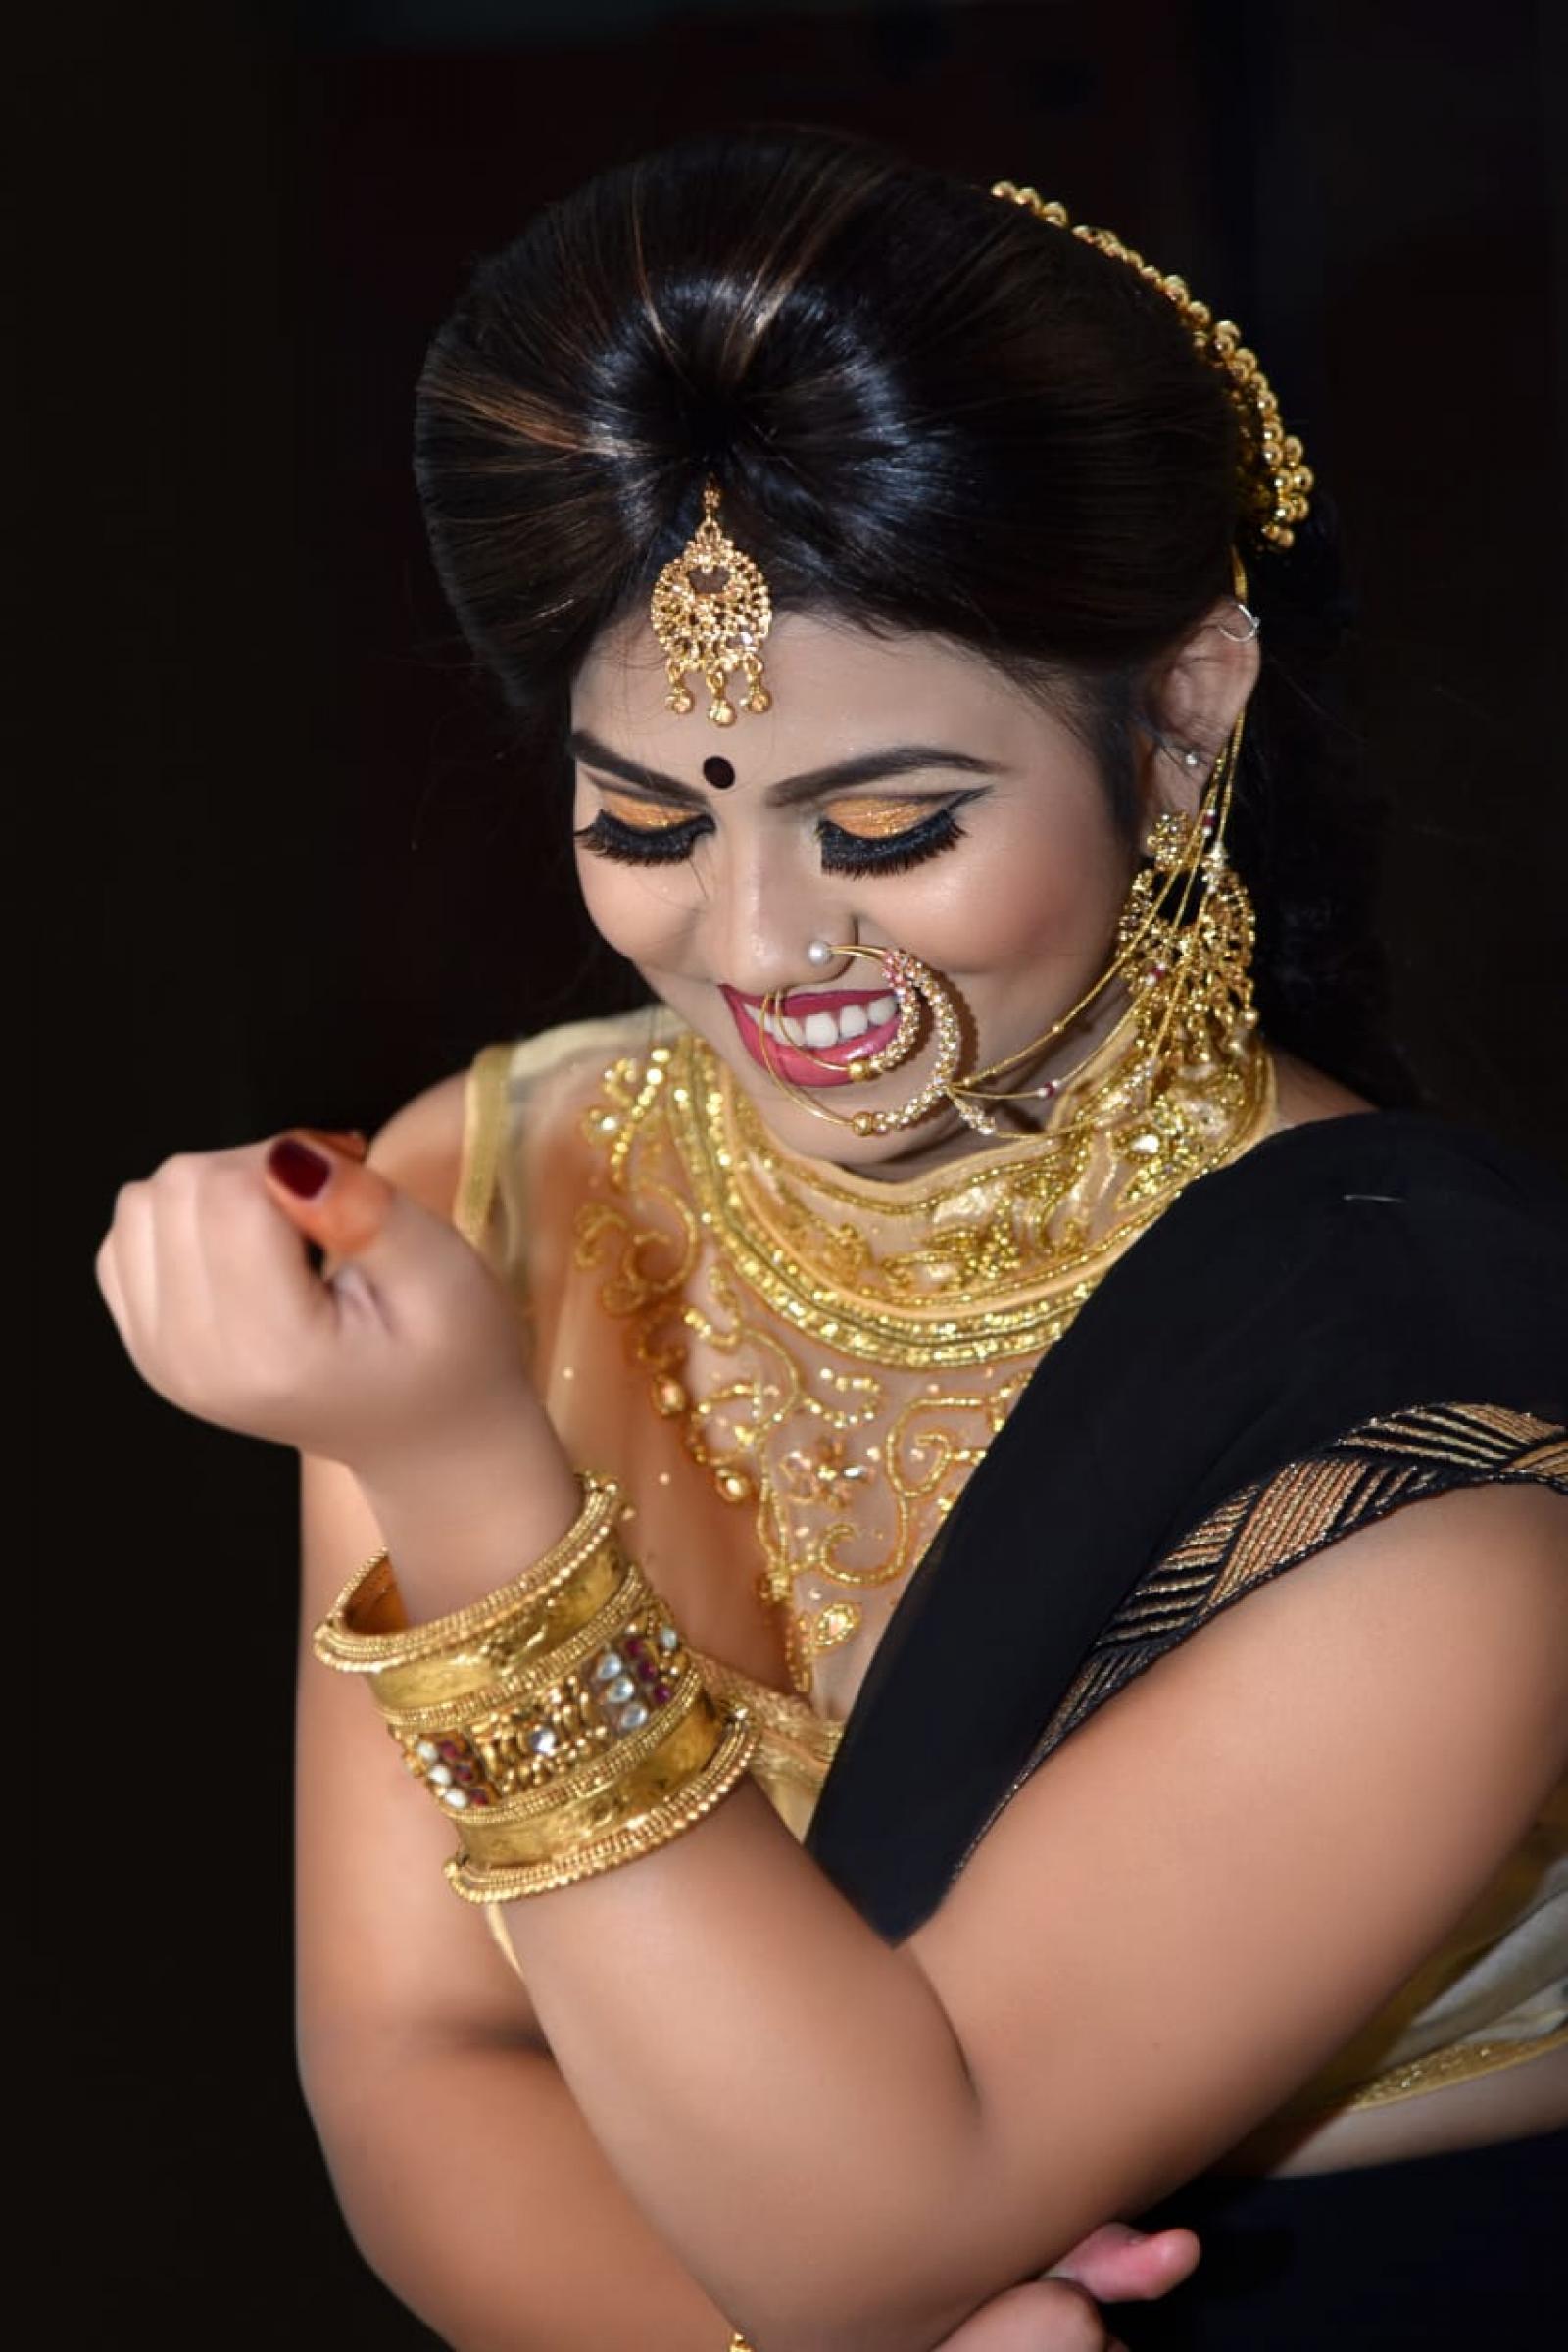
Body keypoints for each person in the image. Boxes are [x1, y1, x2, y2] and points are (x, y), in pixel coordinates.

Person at [96, 129, 1566, 2350]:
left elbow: (877, 2215)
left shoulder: (1431, 1408)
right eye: (641, 822)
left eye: (883, 826)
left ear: (1182, 715)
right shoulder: (501, 1180)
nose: (764, 944)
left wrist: (471, 1488)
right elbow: (417, 2062)